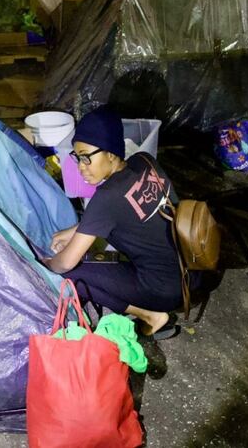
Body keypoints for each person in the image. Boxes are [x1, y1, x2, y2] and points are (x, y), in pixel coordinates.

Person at [45, 107, 183, 340]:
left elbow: (66, 262)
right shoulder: (143, 161)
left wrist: (47, 264)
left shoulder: (107, 196)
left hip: (163, 290)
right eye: (77, 157)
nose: (81, 167)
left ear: (111, 153)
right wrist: (72, 232)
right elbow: (122, 212)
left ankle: (151, 315)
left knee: (70, 278)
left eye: (87, 157)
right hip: (187, 271)